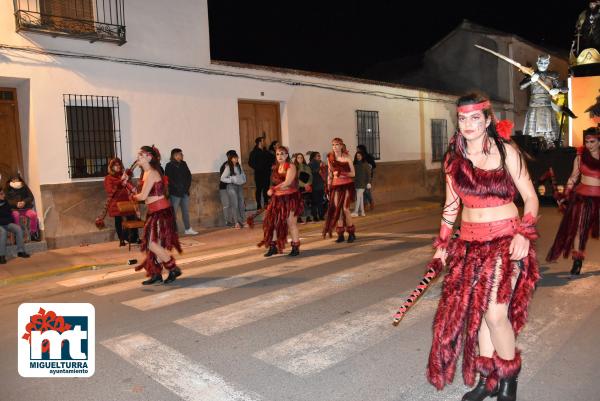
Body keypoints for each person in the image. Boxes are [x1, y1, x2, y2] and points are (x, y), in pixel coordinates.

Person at [426, 93, 540, 401]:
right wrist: (441, 245)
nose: (468, 124)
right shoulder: (453, 160)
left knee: (495, 313)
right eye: (462, 119)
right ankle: (487, 380)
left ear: (488, 120)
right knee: (479, 315)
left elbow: (530, 197)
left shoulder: (506, 152)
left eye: (475, 118)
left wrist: (523, 234)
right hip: (470, 244)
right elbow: (451, 207)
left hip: (506, 240)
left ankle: (508, 378)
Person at [122, 146, 182, 285]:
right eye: (139, 155)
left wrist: (129, 190)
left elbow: (142, 195)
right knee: (154, 244)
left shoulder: (152, 173)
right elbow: (141, 192)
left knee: (151, 243)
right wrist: (127, 184)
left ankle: (172, 268)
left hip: (161, 212)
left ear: (149, 157)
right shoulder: (146, 173)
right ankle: (156, 273)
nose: (138, 157)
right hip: (154, 212)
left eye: (141, 155)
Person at [546, 127, 600, 275]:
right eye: (587, 141)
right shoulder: (580, 157)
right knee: (579, 230)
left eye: (592, 141)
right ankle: (577, 261)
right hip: (583, 198)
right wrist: (565, 194)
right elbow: (573, 177)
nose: (589, 145)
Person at [258, 146, 302, 256]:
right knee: (271, 222)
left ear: (287, 155)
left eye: (282, 154)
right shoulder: (275, 168)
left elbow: (287, 182)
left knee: (291, 223)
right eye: (277, 154)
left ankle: (295, 247)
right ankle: (273, 247)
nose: (280, 156)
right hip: (277, 199)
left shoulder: (291, 166)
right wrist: (272, 189)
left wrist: (273, 189)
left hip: (290, 199)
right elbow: (273, 183)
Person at [519, 54, 568, 147]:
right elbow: (521, 86)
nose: (543, 64)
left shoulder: (552, 75)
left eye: (545, 63)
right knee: (531, 133)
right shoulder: (531, 74)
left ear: (548, 63)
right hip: (534, 105)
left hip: (548, 105)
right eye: (541, 62)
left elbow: (566, 89)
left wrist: (558, 90)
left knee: (552, 132)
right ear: (537, 62)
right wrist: (531, 80)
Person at [322, 138, 356, 242]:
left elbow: (353, 174)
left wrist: (342, 173)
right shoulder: (330, 158)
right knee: (338, 210)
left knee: (345, 209)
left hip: (346, 185)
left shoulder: (347, 158)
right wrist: (328, 188)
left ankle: (351, 233)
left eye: (337, 144)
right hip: (335, 186)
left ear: (341, 146)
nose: (335, 147)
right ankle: (340, 234)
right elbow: (329, 174)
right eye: (333, 145)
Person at [104, 158, 140, 247]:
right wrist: (121, 182)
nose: (118, 166)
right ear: (111, 167)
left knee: (132, 218)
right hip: (116, 202)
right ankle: (121, 239)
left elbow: (130, 187)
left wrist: (132, 188)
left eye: (119, 164)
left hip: (127, 201)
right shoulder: (108, 178)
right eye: (116, 165)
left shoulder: (124, 175)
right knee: (118, 221)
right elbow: (110, 190)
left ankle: (134, 238)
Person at [165, 148, 198, 235]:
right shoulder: (169, 165)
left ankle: (188, 229)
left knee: (186, 211)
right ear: (175, 155)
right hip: (175, 193)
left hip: (185, 192)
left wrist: (186, 187)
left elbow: (189, 176)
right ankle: (172, 231)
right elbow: (168, 179)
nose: (182, 156)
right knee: (173, 213)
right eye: (180, 154)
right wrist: (177, 187)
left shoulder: (184, 164)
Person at [5, 175, 40, 241]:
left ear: (19, 179)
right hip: (14, 209)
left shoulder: (24, 186)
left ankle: (33, 233)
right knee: (16, 215)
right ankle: (17, 235)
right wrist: (16, 204)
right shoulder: (7, 188)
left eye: (16, 179)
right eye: (13, 179)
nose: (15, 180)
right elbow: (6, 200)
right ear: (10, 180)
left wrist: (24, 202)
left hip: (25, 208)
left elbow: (31, 197)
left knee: (33, 215)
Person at [0, 188, 30, 264]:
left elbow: (9, 212)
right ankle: (1, 256)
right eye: (1, 194)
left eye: (3, 193)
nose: (3, 195)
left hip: (7, 223)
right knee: (3, 233)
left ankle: (20, 251)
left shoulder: (5, 201)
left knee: (18, 229)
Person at [220, 150, 247, 229]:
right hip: (231, 187)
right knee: (234, 204)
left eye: (237, 157)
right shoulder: (228, 167)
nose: (236, 159)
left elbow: (243, 175)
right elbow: (222, 178)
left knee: (241, 204)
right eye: (235, 158)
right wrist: (231, 179)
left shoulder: (239, 166)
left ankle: (243, 221)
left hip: (239, 186)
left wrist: (243, 179)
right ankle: (236, 223)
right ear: (231, 158)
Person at [248, 137, 272, 210]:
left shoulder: (266, 151)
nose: (265, 142)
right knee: (259, 189)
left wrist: (270, 166)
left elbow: (271, 159)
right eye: (263, 141)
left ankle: (266, 203)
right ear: (259, 142)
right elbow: (250, 163)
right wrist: (258, 167)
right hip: (259, 174)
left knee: (266, 189)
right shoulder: (254, 152)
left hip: (267, 173)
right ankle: (258, 204)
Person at [294, 153, 313, 223]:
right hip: (298, 187)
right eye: (298, 158)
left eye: (301, 157)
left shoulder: (307, 167)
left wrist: (308, 184)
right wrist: (303, 184)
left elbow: (311, 177)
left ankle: (308, 217)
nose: (300, 159)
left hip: (307, 187)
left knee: (307, 202)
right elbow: (295, 179)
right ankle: (299, 218)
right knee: (298, 203)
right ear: (296, 159)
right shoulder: (294, 167)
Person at [352, 150, 371, 217]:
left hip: (363, 184)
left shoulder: (365, 164)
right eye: (357, 156)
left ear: (362, 156)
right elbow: (354, 174)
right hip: (356, 183)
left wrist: (368, 182)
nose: (358, 157)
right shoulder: (355, 164)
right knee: (360, 198)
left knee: (358, 197)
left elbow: (369, 174)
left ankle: (356, 212)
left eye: (359, 156)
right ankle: (362, 212)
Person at [357, 144, 376, 210]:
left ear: (362, 149)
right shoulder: (358, 157)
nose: (357, 151)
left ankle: (371, 202)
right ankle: (365, 204)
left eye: (358, 149)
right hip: (361, 176)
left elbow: (373, 165)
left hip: (368, 176)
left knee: (367, 190)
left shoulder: (368, 156)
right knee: (362, 191)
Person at [309, 151, 326, 221]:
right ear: (314, 157)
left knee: (320, 201)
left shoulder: (321, 163)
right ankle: (315, 216)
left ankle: (321, 216)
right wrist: (320, 168)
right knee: (315, 202)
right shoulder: (310, 164)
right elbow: (312, 172)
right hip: (314, 185)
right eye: (318, 156)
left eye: (319, 156)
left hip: (321, 185)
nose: (319, 157)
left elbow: (324, 173)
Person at [218, 155, 233, 227]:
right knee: (226, 204)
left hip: (231, 187)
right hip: (224, 188)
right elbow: (223, 177)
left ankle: (231, 220)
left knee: (231, 204)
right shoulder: (225, 165)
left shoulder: (236, 165)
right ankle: (227, 221)